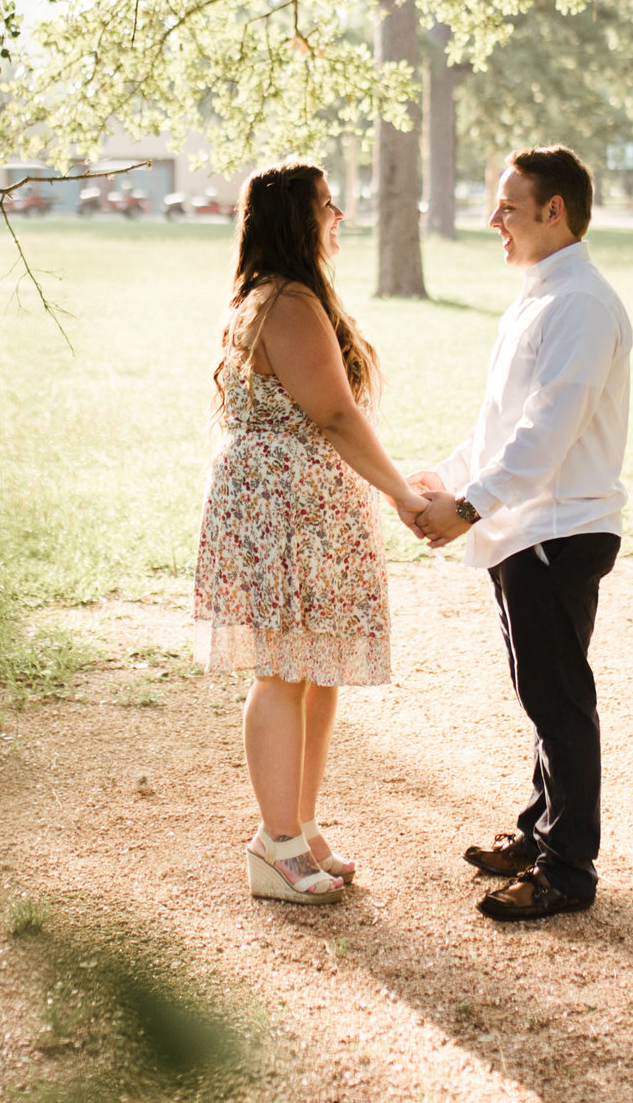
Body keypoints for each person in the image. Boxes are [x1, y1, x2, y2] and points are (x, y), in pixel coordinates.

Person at [195, 160, 432, 905]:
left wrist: (395, 476)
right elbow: (333, 414)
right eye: (328, 206)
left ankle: (296, 824)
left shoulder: (288, 295)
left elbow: (329, 416)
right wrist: (401, 494)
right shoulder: (288, 301)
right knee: (284, 670)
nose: (338, 218)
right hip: (281, 508)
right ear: (300, 217)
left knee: (317, 670)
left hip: (306, 502)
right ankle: (277, 845)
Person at [412, 146, 632, 922]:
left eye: (509, 206)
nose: (493, 219)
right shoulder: (539, 297)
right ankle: (542, 833)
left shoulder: (580, 303)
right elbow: (501, 427)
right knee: (542, 691)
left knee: (558, 698)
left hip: (557, 528)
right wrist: (445, 480)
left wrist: (469, 508)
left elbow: (547, 433)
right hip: (526, 524)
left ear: (554, 210)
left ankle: (568, 869)